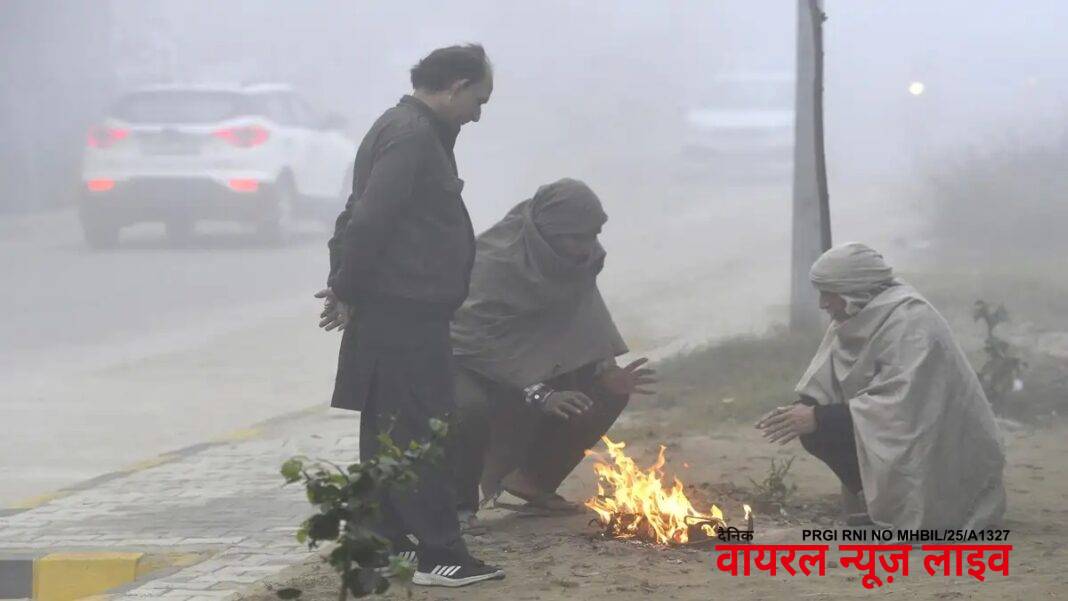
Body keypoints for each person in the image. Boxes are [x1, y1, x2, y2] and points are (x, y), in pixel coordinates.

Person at [315, 44, 504, 587]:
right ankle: (440, 555)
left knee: (389, 435)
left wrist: (345, 286)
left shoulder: (402, 127)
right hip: (403, 315)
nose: (477, 113)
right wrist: (347, 288)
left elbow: (356, 214)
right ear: (455, 86)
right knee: (422, 433)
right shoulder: (413, 135)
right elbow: (369, 219)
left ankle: (386, 547)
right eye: (477, 99)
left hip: (395, 312)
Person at [756, 242, 1006, 529]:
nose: (822, 304)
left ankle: (910, 513)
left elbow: (906, 410)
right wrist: (804, 409)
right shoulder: (854, 313)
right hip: (895, 426)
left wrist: (819, 417)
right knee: (817, 430)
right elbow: (826, 376)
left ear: (852, 289)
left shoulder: (911, 319)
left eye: (828, 293)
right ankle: (882, 507)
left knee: (823, 423)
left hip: (938, 444)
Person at [448, 178, 657, 519]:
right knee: (470, 409)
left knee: (607, 391)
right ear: (544, 232)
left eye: (593, 235)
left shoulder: (579, 259)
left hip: (529, 363)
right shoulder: (492, 264)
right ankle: (458, 503)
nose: (586, 247)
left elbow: (581, 313)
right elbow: (471, 340)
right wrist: (539, 393)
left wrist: (604, 367)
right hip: (468, 363)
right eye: (575, 237)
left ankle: (532, 482)